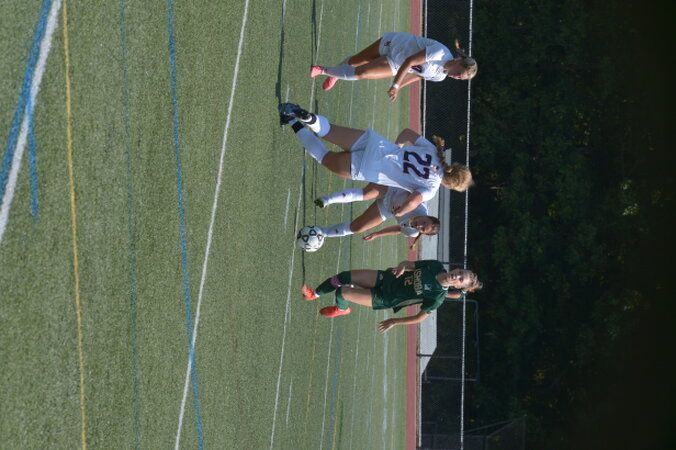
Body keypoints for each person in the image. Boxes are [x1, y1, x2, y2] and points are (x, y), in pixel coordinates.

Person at [278, 102, 473, 218]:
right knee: (324, 157)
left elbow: (407, 133)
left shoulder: (434, 151)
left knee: (328, 130)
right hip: (369, 167)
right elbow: (414, 200)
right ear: (451, 185)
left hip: (376, 144)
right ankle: (293, 121)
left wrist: (397, 148)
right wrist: (401, 211)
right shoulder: (431, 188)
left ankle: (307, 117)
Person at [300, 260, 481, 333]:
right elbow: (409, 264)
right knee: (344, 276)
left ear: (458, 287)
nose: (457, 276)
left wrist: (394, 321)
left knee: (342, 292)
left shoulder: (437, 297)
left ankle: (341, 309)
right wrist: (401, 267)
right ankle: (313, 294)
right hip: (386, 278)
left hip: (384, 298)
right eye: (460, 272)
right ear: (457, 268)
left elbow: (419, 318)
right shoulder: (435, 266)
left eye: (460, 279)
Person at [310, 32, 478, 100]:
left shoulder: (440, 76)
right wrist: (395, 85)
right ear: (459, 62)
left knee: (361, 73)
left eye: (460, 79)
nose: (456, 77)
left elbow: (417, 75)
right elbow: (410, 62)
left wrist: (399, 87)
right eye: (459, 73)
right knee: (354, 62)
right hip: (392, 44)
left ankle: (322, 70)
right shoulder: (440, 53)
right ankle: (336, 74)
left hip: (395, 64)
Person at [315, 183, 439, 249]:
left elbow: (398, 229)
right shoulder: (419, 205)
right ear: (427, 216)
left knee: (358, 228)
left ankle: (322, 233)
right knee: (367, 193)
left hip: (387, 208)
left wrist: (377, 234)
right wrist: (403, 208)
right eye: (424, 222)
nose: (420, 225)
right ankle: (327, 200)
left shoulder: (412, 232)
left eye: (423, 229)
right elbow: (409, 187)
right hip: (392, 188)